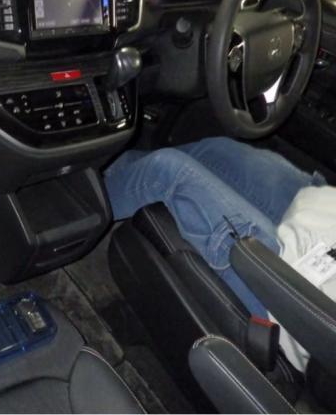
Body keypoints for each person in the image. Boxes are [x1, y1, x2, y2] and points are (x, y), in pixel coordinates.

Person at [104, 137, 335, 371]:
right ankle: (106, 173)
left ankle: (86, 208)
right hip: (324, 216)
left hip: (295, 287)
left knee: (166, 172)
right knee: (216, 152)